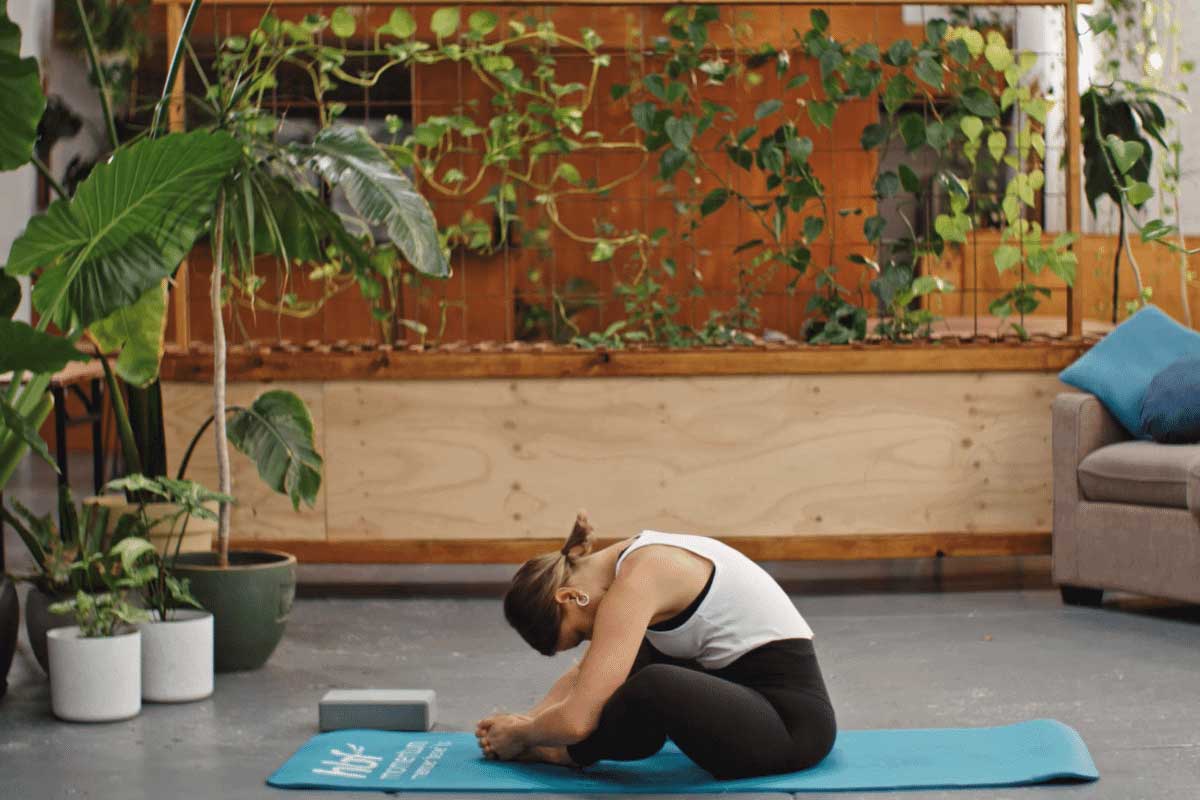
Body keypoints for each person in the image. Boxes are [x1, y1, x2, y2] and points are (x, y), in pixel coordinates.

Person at [475, 510, 837, 780]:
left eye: (581, 634)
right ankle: (548, 745)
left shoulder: (639, 579)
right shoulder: (632, 558)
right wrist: (526, 721)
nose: (591, 639)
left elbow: (576, 720)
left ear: (569, 596)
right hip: (749, 702)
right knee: (639, 660)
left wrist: (523, 735)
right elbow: (587, 673)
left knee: (653, 683)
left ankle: (560, 755)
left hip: (791, 731)